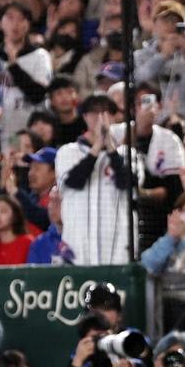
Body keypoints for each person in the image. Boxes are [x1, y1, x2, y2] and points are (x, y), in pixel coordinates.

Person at [54, 94, 141, 264]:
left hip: (118, 249)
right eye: (94, 112)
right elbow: (74, 182)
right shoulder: (68, 151)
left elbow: (127, 183)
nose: (100, 117)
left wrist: (110, 147)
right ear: (85, 117)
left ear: (114, 118)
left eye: (106, 111)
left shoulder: (128, 154)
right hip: (78, 249)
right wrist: (97, 146)